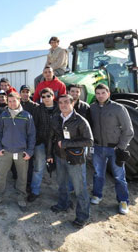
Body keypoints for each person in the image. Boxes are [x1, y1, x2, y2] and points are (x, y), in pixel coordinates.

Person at [47, 94, 92, 228]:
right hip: (60, 157)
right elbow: (51, 138)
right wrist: (49, 154)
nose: (63, 105)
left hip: (75, 159)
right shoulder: (55, 119)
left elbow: (89, 141)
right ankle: (63, 204)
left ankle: (82, 216)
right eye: (60, 103)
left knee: (79, 189)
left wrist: (67, 143)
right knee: (62, 183)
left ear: (73, 103)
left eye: (66, 102)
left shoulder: (80, 120)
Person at [90, 83, 134, 215]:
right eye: (97, 93)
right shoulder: (92, 108)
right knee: (98, 174)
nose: (100, 96)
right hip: (97, 148)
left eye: (103, 93)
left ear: (108, 93)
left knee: (119, 176)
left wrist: (121, 148)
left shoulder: (118, 109)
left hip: (114, 149)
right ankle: (97, 195)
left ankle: (123, 201)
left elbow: (128, 130)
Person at [0, 92, 36, 212]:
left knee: (22, 176)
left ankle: (21, 197)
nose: (11, 103)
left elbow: (31, 135)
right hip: (6, 151)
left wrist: (30, 151)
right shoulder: (3, 115)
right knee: (0, 174)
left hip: (21, 153)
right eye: (9, 101)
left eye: (13, 101)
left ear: (19, 100)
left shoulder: (27, 116)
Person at [28, 87, 60, 201]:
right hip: (41, 141)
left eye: (48, 96)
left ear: (53, 96)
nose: (46, 98)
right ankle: (35, 191)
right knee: (38, 167)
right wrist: (35, 140)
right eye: (43, 97)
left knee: (61, 169)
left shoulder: (59, 108)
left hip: (57, 143)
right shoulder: (38, 109)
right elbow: (34, 126)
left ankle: (63, 193)